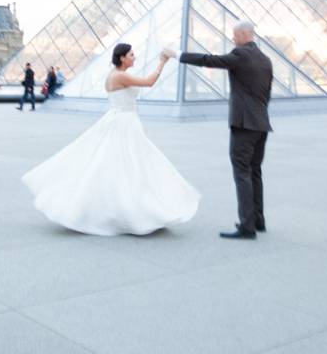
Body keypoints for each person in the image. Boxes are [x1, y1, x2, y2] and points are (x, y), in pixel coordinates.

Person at [22, 43, 199, 235]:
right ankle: (128, 210)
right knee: (130, 164)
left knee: (117, 165)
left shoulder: (114, 74)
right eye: (132, 54)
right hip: (124, 123)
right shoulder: (120, 75)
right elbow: (149, 82)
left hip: (121, 120)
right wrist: (162, 63)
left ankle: (119, 208)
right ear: (122, 57)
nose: (135, 57)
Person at [180, 21, 273, 240]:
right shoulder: (266, 60)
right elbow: (265, 95)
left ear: (244, 34)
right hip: (261, 124)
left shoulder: (240, 55)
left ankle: (247, 226)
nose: (233, 39)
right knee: (255, 172)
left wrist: (179, 55)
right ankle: (258, 220)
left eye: (234, 35)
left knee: (241, 172)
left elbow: (210, 60)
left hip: (243, 124)